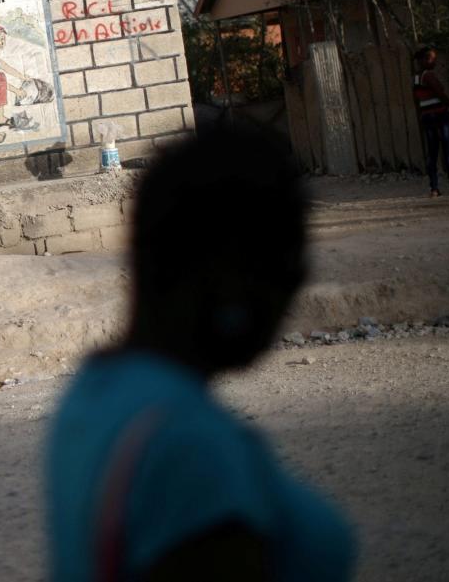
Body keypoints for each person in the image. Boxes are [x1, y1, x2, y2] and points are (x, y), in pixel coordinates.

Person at [46, 126, 357, 582]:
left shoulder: (93, 393)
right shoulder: (191, 448)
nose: (294, 291)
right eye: (286, 265)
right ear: (227, 272)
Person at [412, 46, 449, 197]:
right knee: (448, 152)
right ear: (422, 61)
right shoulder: (428, 75)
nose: (433, 61)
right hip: (440, 115)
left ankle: (434, 188)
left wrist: (421, 115)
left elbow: (417, 100)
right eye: (430, 59)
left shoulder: (415, 77)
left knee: (432, 153)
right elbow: (439, 92)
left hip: (427, 117)